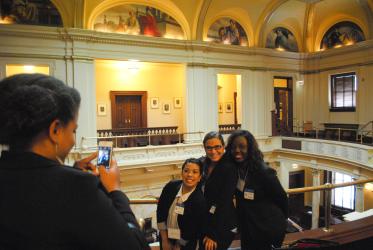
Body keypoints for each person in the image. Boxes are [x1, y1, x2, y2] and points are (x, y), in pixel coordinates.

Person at [0, 73, 147, 249]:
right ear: (55, 130)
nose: (72, 140)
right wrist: (115, 190)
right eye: (73, 131)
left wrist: (72, 170)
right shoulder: (79, 187)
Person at [226, 130, 288, 250]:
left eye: (242, 147)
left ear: (250, 149)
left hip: (265, 228)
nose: (237, 150)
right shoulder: (236, 169)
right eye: (234, 147)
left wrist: (277, 223)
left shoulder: (264, 172)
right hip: (247, 227)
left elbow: (282, 199)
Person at [157, 158, 207, 250]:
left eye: (195, 172)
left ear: (199, 177)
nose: (189, 175)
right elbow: (160, 211)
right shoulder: (171, 187)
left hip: (186, 244)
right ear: (182, 173)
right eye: (186, 171)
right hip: (166, 237)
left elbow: (194, 229)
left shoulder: (200, 200)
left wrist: (179, 245)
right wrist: (164, 239)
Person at [200, 132, 237, 250]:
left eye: (217, 147)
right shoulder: (204, 163)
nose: (213, 151)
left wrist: (213, 234)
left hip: (222, 224)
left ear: (223, 146)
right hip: (207, 220)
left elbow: (224, 202)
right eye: (209, 148)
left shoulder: (229, 167)